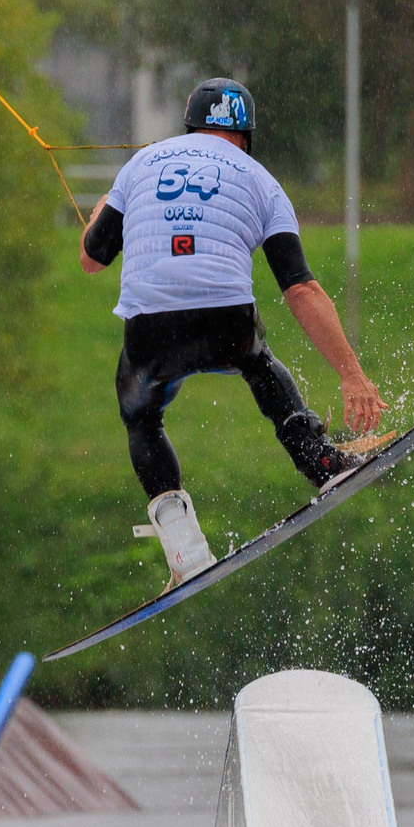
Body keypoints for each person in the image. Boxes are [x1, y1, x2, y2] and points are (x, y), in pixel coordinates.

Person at [79, 76, 384, 588]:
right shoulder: (260, 179)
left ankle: (184, 545)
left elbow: (92, 259)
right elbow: (300, 289)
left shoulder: (140, 164)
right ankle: (322, 463)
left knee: (141, 415)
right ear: (246, 135)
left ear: (189, 124)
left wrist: (95, 217)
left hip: (152, 330)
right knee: (258, 363)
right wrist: (351, 375)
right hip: (226, 320)